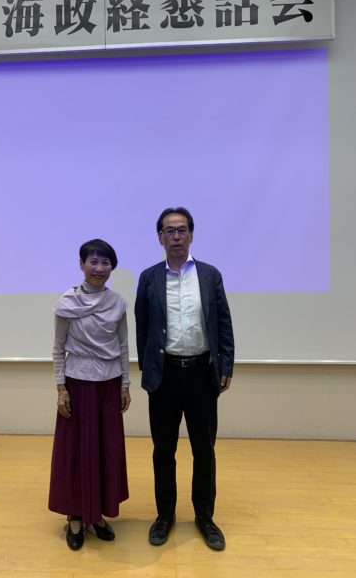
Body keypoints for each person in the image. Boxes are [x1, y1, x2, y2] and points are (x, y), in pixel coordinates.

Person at [134, 207, 234, 551]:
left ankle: (205, 517)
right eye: (169, 231)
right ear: (160, 238)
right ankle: (165, 515)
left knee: (204, 450)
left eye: (181, 230)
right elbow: (143, 328)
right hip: (164, 378)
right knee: (163, 450)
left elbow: (223, 322)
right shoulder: (148, 278)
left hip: (202, 374)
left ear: (191, 234)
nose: (175, 236)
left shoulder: (210, 275)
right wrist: (149, 369)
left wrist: (226, 365)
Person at [48, 239, 131, 551]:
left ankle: (97, 515)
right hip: (77, 384)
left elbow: (123, 346)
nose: (99, 268)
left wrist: (125, 384)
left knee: (106, 450)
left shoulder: (118, 303)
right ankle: (76, 514)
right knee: (76, 451)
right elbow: (58, 348)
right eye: (93, 261)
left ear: (112, 267)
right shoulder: (67, 303)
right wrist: (61, 389)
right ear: (81, 264)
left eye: (105, 262)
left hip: (108, 385)